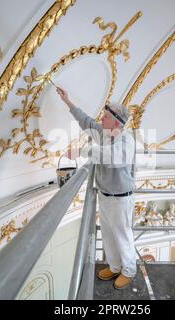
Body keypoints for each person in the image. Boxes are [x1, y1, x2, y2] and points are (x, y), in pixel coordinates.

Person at [56, 87, 136, 290]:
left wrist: (82, 150)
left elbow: (112, 158)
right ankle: (115, 266)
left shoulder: (127, 140)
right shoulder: (103, 132)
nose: (101, 119)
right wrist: (68, 102)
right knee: (108, 234)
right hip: (105, 195)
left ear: (116, 121)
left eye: (105, 117)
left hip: (120, 198)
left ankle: (129, 270)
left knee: (122, 235)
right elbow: (86, 121)